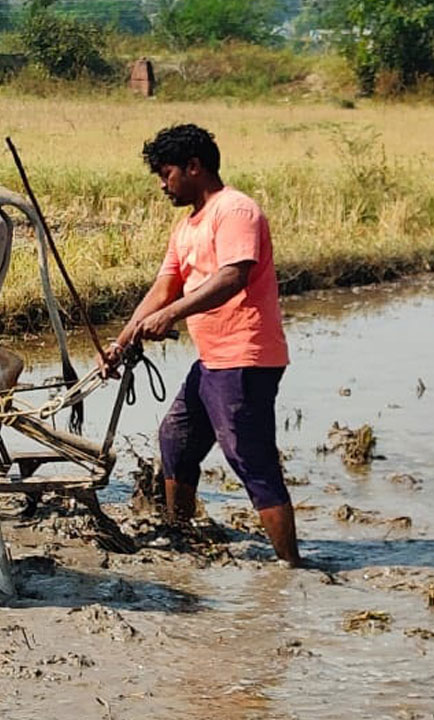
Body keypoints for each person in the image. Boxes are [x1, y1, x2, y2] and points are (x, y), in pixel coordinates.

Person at [101, 123, 302, 566]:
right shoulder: (187, 227)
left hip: (245, 357)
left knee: (249, 460)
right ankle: (180, 537)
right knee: (176, 441)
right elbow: (162, 290)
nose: (162, 184)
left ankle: (292, 569)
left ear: (194, 167)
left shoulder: (235, 212)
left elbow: (234, 276)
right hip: (213, 361)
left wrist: (171, 316)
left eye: (166, 173)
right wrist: (121, 342)